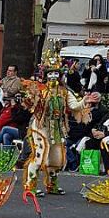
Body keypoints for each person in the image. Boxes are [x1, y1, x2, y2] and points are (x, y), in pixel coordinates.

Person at [22, 40, 86, 196]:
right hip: (41, 126)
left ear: (59, 75)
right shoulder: (40, 89)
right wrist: (31, 98)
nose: (52, 76)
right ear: (45, 75)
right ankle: (30, 186)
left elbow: (74, 105)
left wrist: (86, 100)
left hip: (57, 128)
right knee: (39, 156)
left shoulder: (65, 92)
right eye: (50, 73)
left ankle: (52, 185)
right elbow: (30, 103)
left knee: (56, 159)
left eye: (55, 73)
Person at [65, 92, 106, 171]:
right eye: (89, 101)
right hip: (73, 133)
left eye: (92, 101)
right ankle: (73, 162)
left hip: (87, 134)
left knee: (79, 145)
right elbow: (74, 121)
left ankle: (74, 163)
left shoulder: (102, 111)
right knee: (63, 144)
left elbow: (97, 124)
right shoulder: (81, 108)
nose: (90, 103)